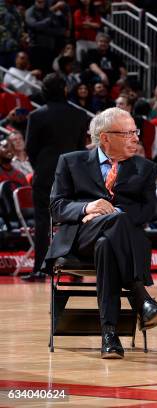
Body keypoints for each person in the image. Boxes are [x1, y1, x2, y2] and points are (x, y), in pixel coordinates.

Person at [46, 107, 157, 359]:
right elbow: (56, 207)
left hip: (115, 243)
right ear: (105, 137)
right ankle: (142, 301)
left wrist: (111, 216)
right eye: (128, 133)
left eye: (135, 132)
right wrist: (87, 207)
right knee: (113, 227)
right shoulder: (71, 162)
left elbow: (148, 211)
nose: (136, 138)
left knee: (107, 244)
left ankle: (110, 335)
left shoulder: (145, 168)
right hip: (79, 238)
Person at [22, 74, 90, 282]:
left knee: (43, 222)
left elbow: (30, 149)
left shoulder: (37, 116)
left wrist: (41, 168)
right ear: (65, 90)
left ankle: (41, 269)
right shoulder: (79, 115)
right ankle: (76, 271)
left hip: (44, 174)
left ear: (44, 91)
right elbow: (81, 149)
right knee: (75, 220)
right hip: (71, 174)